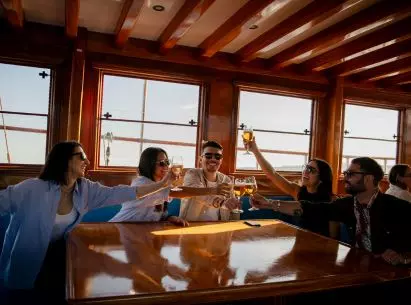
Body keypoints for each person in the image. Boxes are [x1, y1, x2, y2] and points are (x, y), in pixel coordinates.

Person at [0, 141, 180, 303]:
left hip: (61, 256)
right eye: (82, 156)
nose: (87, 161)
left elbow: (120, 193)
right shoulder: (32, 188)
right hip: (28, 260)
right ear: (65, 160)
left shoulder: (85, 188)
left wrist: (163, 184)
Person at [251, 157, 411, 266]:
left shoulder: (397, 207)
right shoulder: (348, 205)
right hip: (357, 270)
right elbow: (308, 208)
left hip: (391, 277)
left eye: (351, 174)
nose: (345, 177)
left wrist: (403, 256)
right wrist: (270, 204)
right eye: (346, 173)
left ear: (369, 179)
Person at [109, 147, 232, 225]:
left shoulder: (160, 186)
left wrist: (170, 218)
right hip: (118, 228)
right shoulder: (142, 183)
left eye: (167, 162)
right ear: (149, 165)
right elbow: (176, 192)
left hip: (138, 232)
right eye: (162, 163)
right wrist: (213, 190)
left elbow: (154, 213)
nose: (166, 166)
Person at [245, 137, 335, 237]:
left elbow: (334, 237)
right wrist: (255, 150)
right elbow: (272, 174)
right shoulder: (298, 191)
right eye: (306, 167)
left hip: (321, 247)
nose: (306, 171)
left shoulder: (331, 202)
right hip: (299, 245)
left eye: (312, 170)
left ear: (322, 178)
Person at [179, 141, 240, 221]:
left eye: (217, 156)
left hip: (218, 228)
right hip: (189, 226)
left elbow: (232, 208)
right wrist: (221, 202)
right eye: (208, 156)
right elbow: (198, 193)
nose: (213, 159)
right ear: (201, 159)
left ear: (221, 161)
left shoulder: (226, 180)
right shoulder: (192, 173)